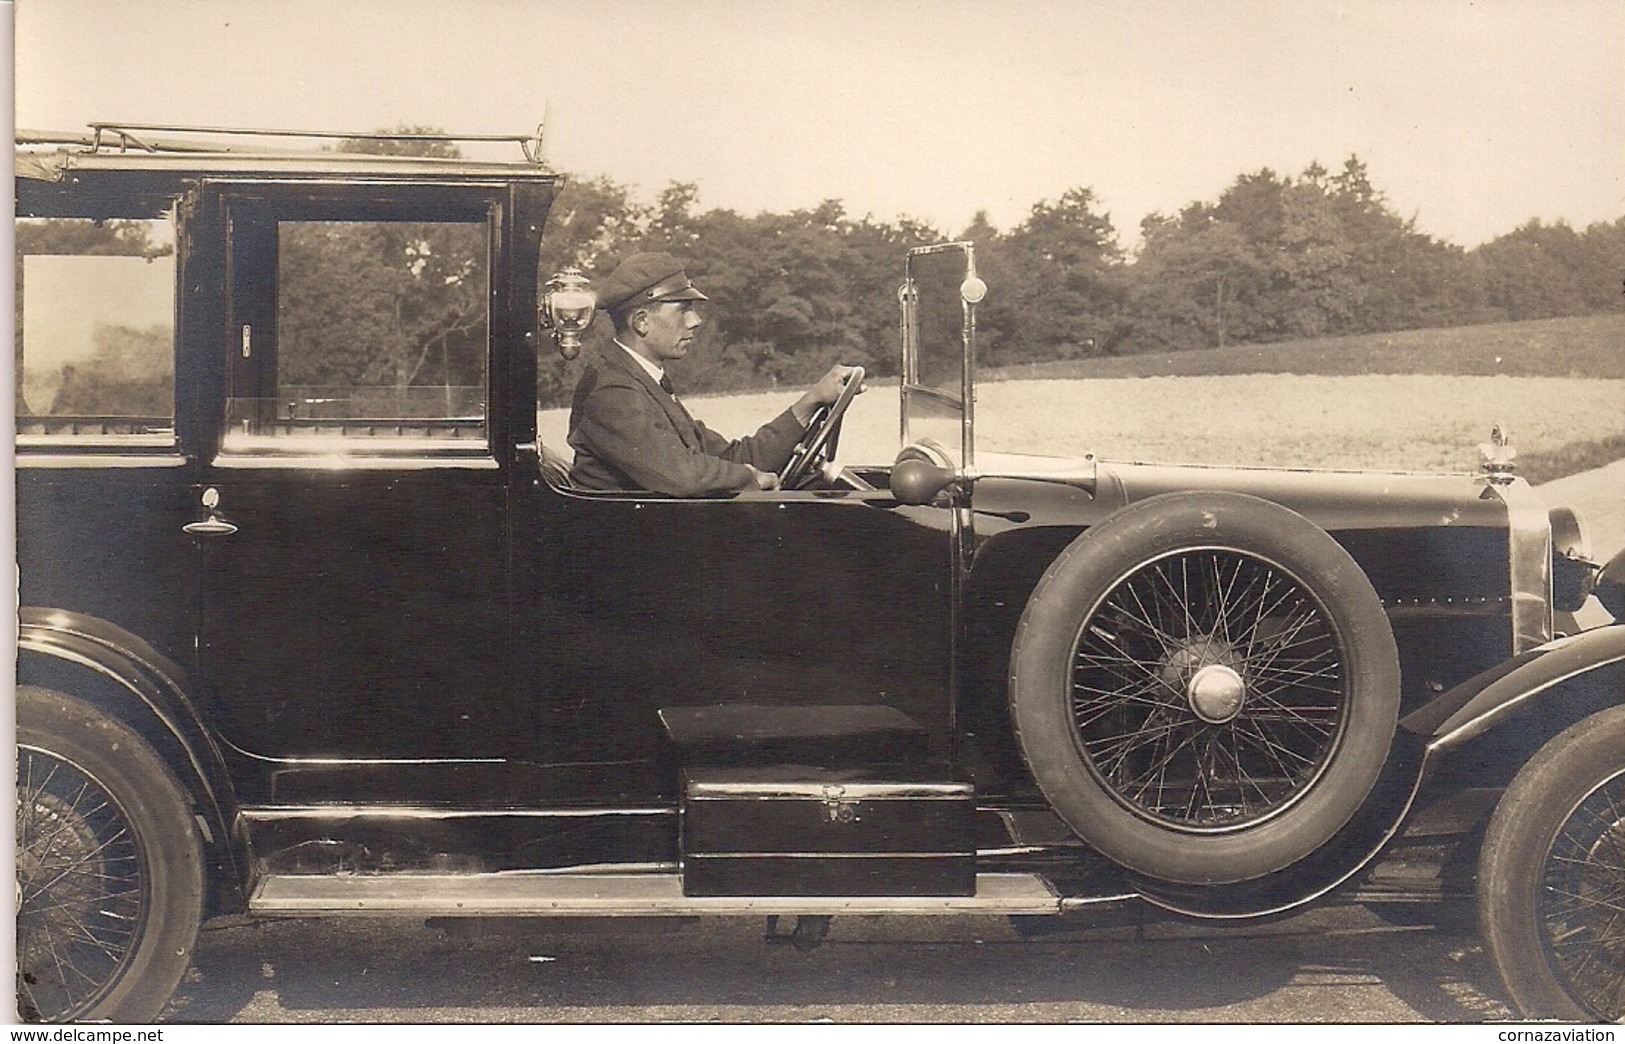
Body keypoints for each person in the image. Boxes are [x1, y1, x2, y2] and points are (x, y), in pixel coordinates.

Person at [567, 252, 861, 496]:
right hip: (631, 549)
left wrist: (811, 401)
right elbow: (684, 475)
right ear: (642, 321)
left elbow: (730, 458)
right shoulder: (611, 390)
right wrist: (750, 478)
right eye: (683, 310)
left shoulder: (643, 380)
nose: (695, 321)